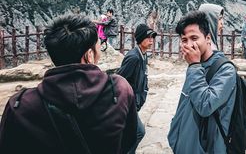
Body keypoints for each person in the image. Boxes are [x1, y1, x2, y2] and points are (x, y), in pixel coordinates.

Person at [0, 14, 137, 154]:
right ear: (89, 55)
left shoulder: (20, 106)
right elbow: (129, 141)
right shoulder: (120, 90)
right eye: (98, 46)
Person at [168, 11, 237, 154]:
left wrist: (194, 66)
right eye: (184, 40)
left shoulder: (226, 71)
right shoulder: (196, 65)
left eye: (194, 38)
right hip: (184, 144)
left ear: (208, 38)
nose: (189, 45)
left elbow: (206, 105)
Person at [117, 24, 157, 154]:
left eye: (152, 37)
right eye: (148, 37)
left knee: (129, 133)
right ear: (140, 38)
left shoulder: (143, 55)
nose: (151, 40)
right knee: (139, 132)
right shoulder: (134, 57)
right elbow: (119, 79)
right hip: (128, 103)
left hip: (135, 102)